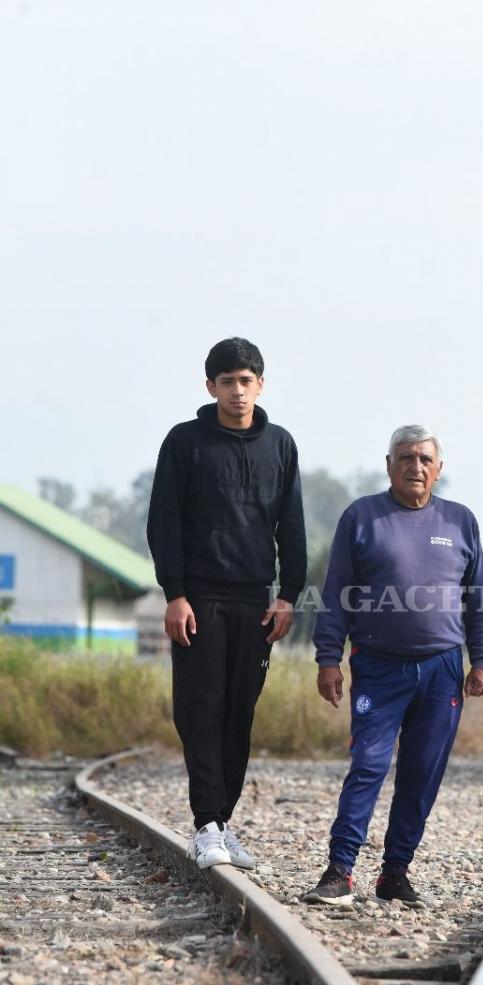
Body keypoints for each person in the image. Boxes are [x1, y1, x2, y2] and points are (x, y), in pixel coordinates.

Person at [304, 425, 483, 908]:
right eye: (406, 458)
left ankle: (395, 873)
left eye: (425, 459)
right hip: (378, 668)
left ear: (439, 469)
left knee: (421, 774)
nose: (416, 467)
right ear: (388, 465)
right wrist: (328, 658)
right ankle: (340, 870)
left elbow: (479, 599)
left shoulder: (460, 521)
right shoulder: (362, 517)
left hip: (443, 671)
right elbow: (335, 594)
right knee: (367, 765)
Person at [147, 337, 306, 869]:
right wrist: (174, 593)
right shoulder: (185, 442)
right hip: (200, 599)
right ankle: (205, 824)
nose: (237, 391)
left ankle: (222, 822)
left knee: (239, 713)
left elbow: (293, 525)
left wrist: (288, 595)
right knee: (201, 709)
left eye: (246, 380)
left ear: (261, 384)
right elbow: (163, 523)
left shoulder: (281, 445)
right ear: (210, 386)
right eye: (227, 381)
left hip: (255, 603)